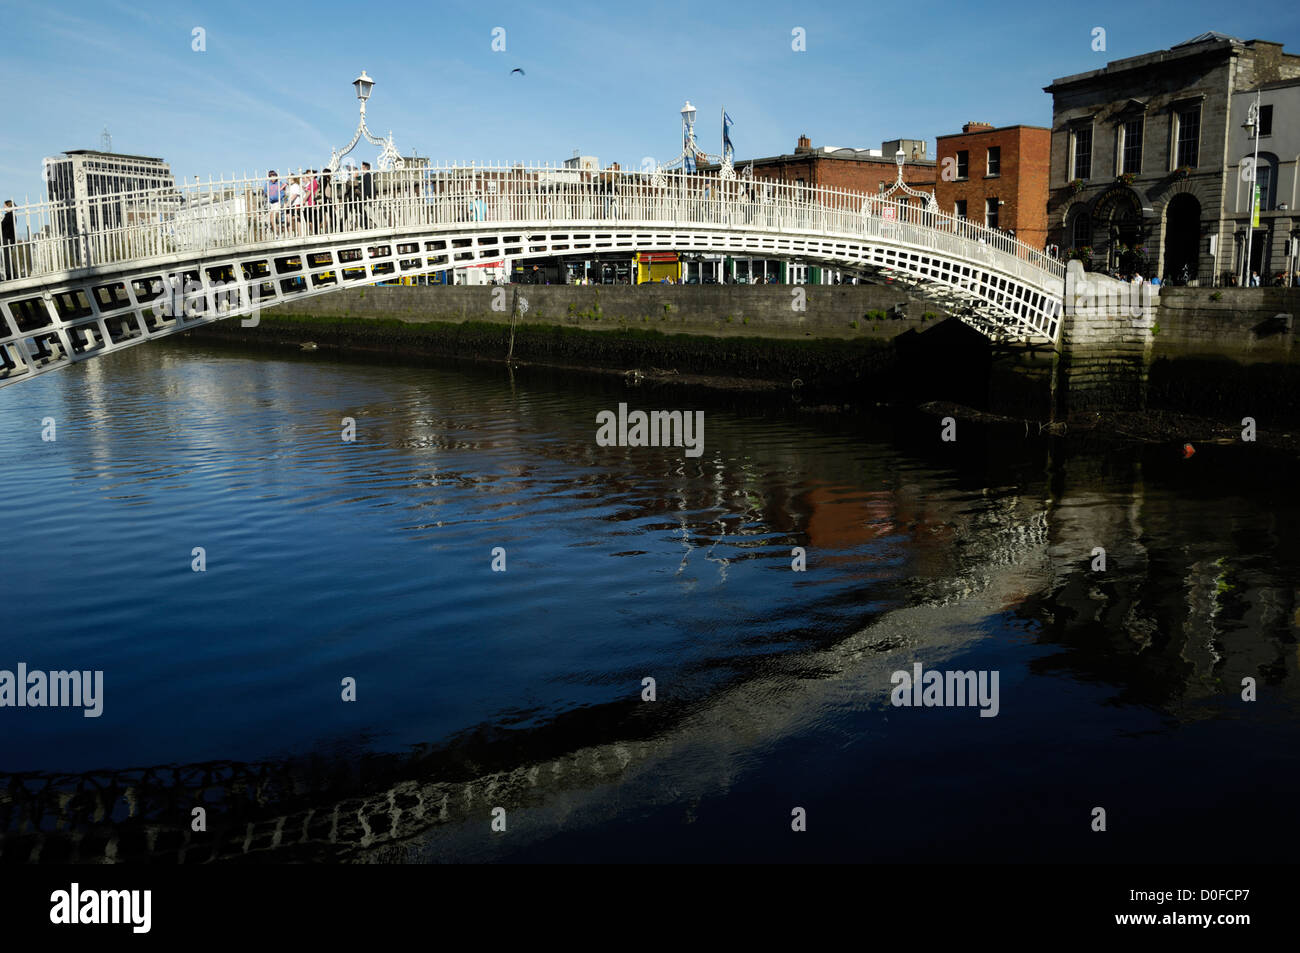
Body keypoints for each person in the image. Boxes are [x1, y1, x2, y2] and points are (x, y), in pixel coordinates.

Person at [1, 200, 15, 280]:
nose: (3, 207)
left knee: (7, 258)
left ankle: (10, 275)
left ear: (8, 206)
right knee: (7, 257)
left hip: (7, 239)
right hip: (9, 238)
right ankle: (10, 274)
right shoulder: (10, 215)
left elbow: (2, 226)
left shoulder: (9, 215)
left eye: (4, 206)